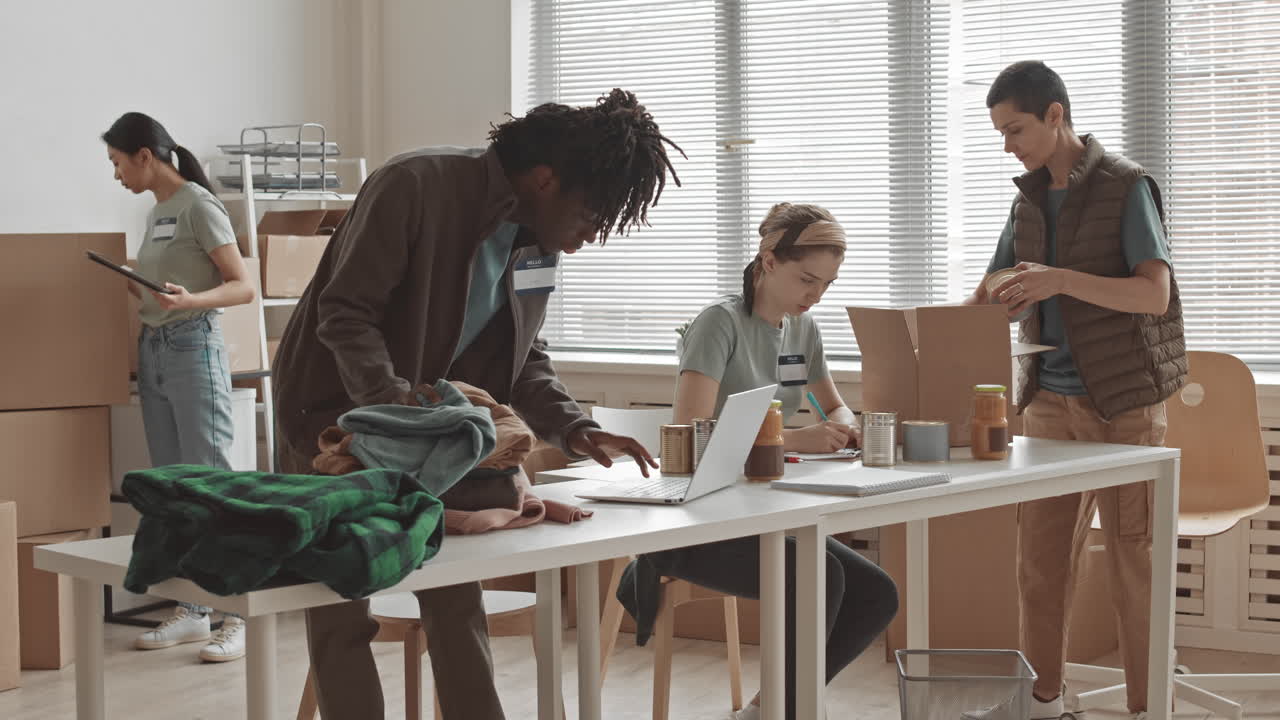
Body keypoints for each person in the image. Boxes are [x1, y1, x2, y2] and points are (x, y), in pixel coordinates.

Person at [271, 89, 681, 720]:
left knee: (454, 599)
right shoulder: (414, 186)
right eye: (589, 219)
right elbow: (346, 315)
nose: (581, 243)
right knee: (342, 603)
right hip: (330, 422)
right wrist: (400, 417)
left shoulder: (536, 239)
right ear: (546, 180)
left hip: (427, 430)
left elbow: (524, 356)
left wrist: (577, 428)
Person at [965, 61, 1187, 719]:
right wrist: (982, 310)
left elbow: (1154, 293)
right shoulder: (1027, 199)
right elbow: (989, 289)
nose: (1007, 144)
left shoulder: (1125, 186)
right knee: (1040, 567)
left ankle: (1150, 708)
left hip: (1122, 406)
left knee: (1133, 567)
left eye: (1016, 129)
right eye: (1000, 132)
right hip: (1047, 406)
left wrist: (1060, 279)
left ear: (1056, 115)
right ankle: (1043, 701)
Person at [634, 203, 900, 720]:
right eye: (807, 279)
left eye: (826, 284)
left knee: (877, 594)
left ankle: (767, 709)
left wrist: (846, 424)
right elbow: (692, 434)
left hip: (764, 515)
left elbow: (832, 402)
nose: (815, 294)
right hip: (696, 523)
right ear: (769, 260)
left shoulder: (804, 330)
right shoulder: (719, 324)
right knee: (820, 575)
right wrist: (803, 436)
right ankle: (784, 710)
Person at [103, 112, 257, 663]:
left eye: (118, 162)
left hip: (193, 346)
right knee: (170, 486)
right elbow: (165, 290)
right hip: (155, 348)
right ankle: (192, 609)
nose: (117, 174)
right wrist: (137, 285)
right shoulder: (157, 213)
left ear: (145, 155)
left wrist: (189, 301)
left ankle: (237, 614)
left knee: (211, 480)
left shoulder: (198, 204)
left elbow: (243, 288)